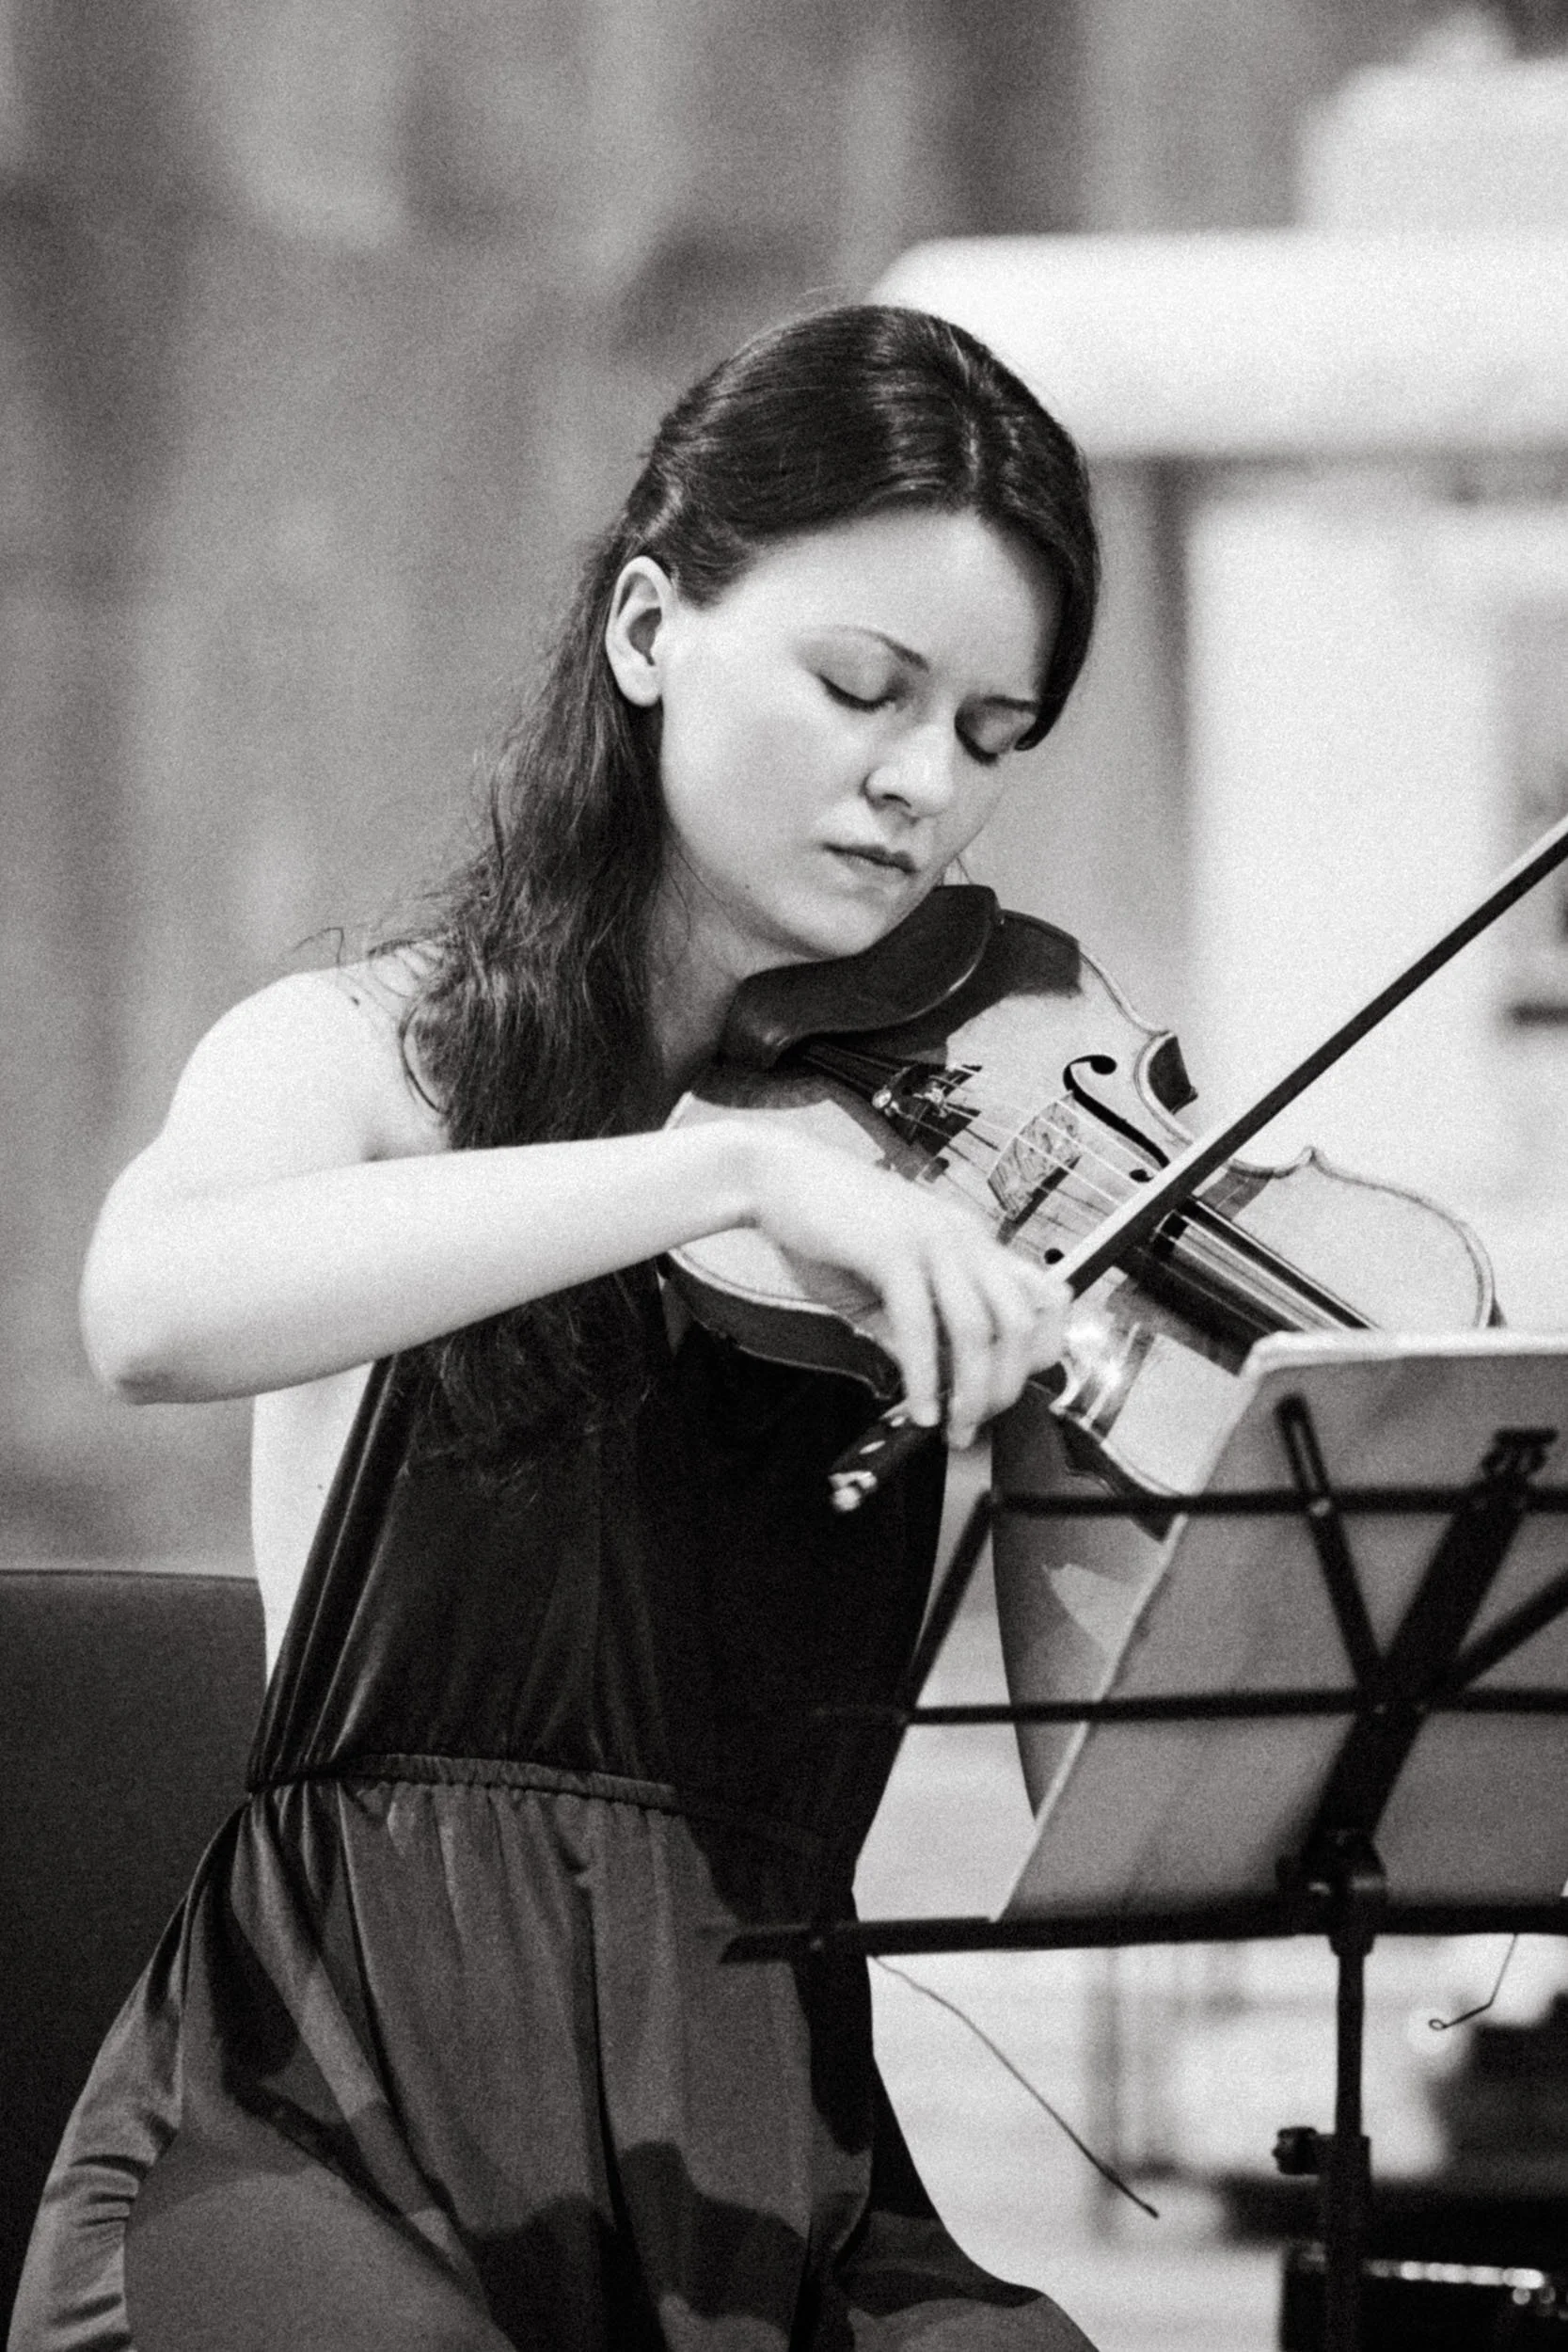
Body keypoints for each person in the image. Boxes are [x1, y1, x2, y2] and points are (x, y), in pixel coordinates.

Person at [11, 303, 1101, 2352]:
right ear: (643, 631)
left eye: (985, 733)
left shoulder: (961, 1147)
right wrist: (717, 1174)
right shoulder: (356, 1056)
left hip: (761, 2131)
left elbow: (1096, 1774)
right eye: (862, 686)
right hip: (327, 2113)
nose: (915, 784)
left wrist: (1114, 1425)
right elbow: (145, 1312)